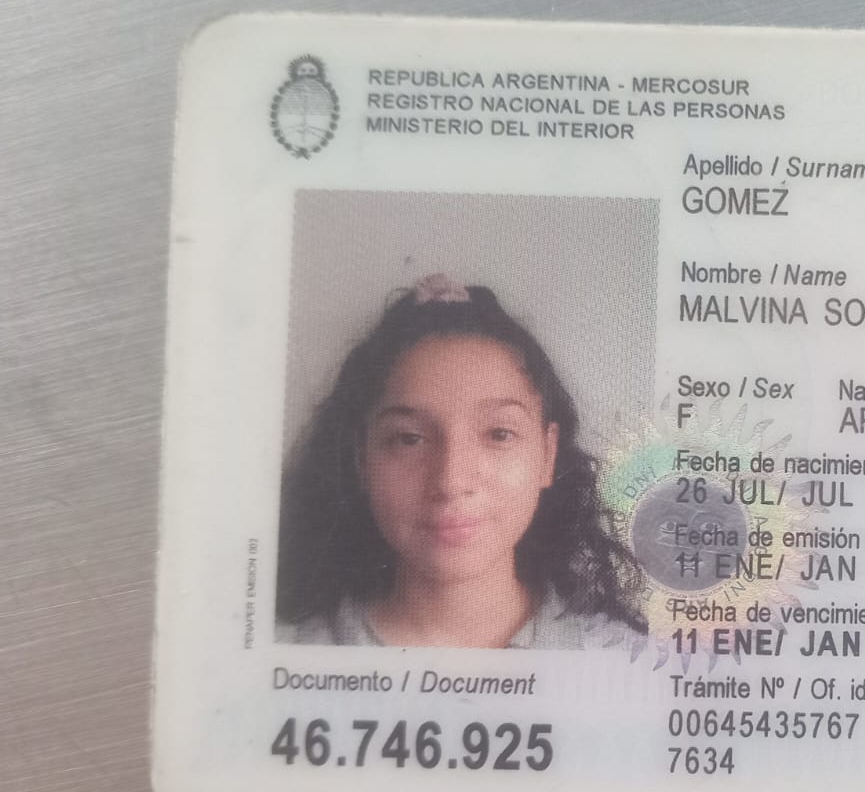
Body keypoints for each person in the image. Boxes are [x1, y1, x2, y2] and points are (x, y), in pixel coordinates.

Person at [275, 274, 645, 648]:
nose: (451, 481)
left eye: (499, 434)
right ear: (362, 459)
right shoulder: (282, 657)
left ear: (547, 455)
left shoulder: (626, 661)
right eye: (409, 439)